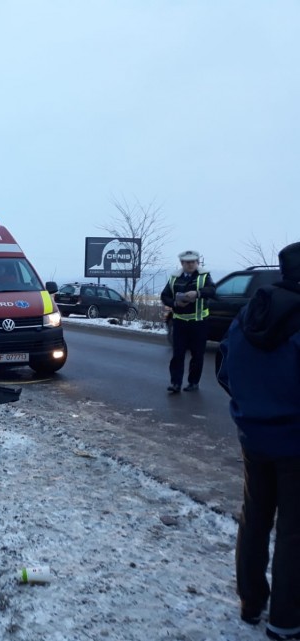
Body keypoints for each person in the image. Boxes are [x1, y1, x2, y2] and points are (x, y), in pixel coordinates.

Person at [217, 241, 300, 640]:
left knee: (255, 519)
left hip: (253, 435)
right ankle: (285, 621)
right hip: (295, 442)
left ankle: (251, 603)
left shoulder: (251, 312)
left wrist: (250, 405)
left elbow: (224, 369)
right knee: (294, 532)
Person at [160, 250, 216, 393]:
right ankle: (176, 383)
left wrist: (197, 293)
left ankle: (193, 382)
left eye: (193, 262)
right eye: (187, 262)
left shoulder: (204, 276)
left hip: (199, 323)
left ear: (197, 262)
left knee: (197, 355)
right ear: (182, 263)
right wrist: (175, 303)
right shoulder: (174, 277)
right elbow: (165, 296)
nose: (190, 265)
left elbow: (212, 291)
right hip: (180, 323)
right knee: (177, 355)